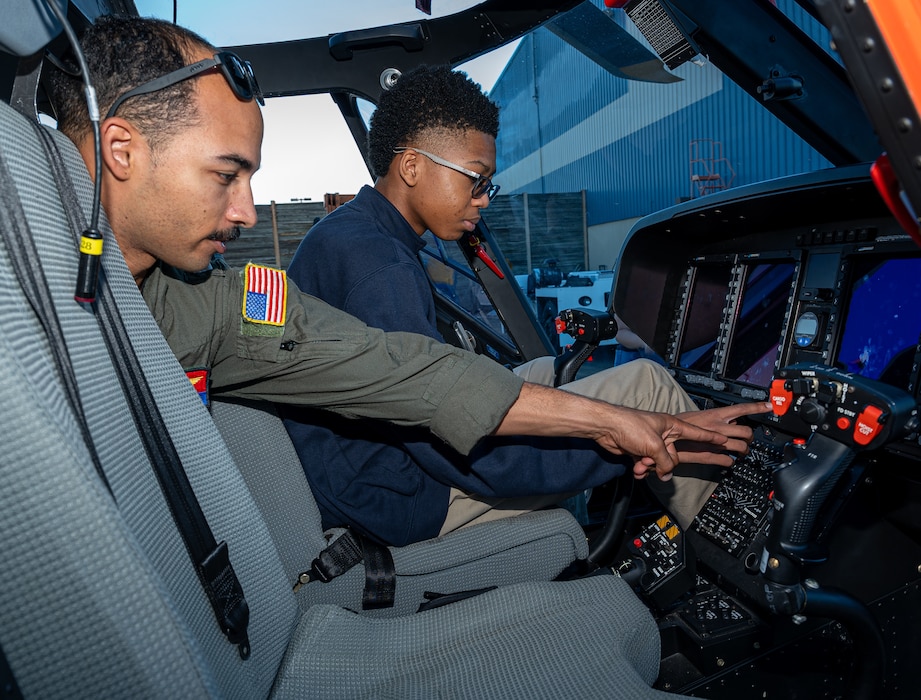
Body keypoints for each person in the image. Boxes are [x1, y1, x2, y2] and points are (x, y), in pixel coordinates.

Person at [48, 17, 760, 546]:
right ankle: (739, 567)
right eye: (226, 174)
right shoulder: (40, 302)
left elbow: (395, 367)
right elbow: (420, 410)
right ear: (120, 150)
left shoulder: (199, 302)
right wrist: (603, 440)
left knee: (585, 386)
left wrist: (602, 422)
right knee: (634, 382)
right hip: (389, 498)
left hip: (347, 486)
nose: (243, 212)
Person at [285, 64, 769, 544]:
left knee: (546, 371)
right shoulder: (380, 268)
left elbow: (419, 382)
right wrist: (619, 438)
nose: (484, 199)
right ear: (411, 166)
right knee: (648, 388)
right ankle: (736, 553)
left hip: (363, 463)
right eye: (476, 180)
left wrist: (581, 416)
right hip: (402, 492)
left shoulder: (351, 233)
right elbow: (453, 445)